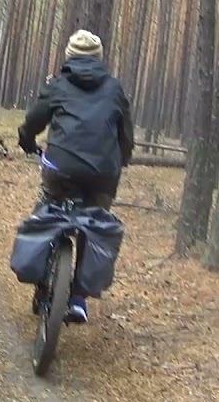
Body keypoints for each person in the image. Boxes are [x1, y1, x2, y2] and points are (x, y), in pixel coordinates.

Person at [17, 29, 134, 324]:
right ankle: (79, 299)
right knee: (93, 223)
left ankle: (42, 279)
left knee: (47, 205)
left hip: (61, 168)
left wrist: (27, 141)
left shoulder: (58, 85)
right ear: (99, 58)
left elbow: (33, 121)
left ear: (69, 56)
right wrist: (120, 160)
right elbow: (126, 136)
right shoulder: (115, 89)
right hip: (102, 174)